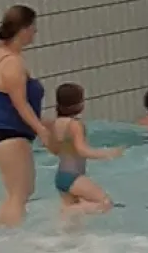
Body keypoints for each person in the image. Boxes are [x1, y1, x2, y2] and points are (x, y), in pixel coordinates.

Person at [0, 5, 51, 228]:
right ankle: (13, 239)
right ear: (23, 30)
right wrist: (42, 131)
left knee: (19, 192)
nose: (35, 32)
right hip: (8, 132)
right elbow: (20, 104)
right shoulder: (12, 63)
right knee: (19, 195)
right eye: (33, 27)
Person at [51, 83, 123, 218]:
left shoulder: (56, 123)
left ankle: (63, 224)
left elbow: (55, 149)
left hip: (61, 175)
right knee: (105, 203)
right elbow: (82, 150)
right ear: (79, 104)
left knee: (73, 223)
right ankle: (66, 211)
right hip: (73, 176)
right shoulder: (75, 125)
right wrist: (107, 153)